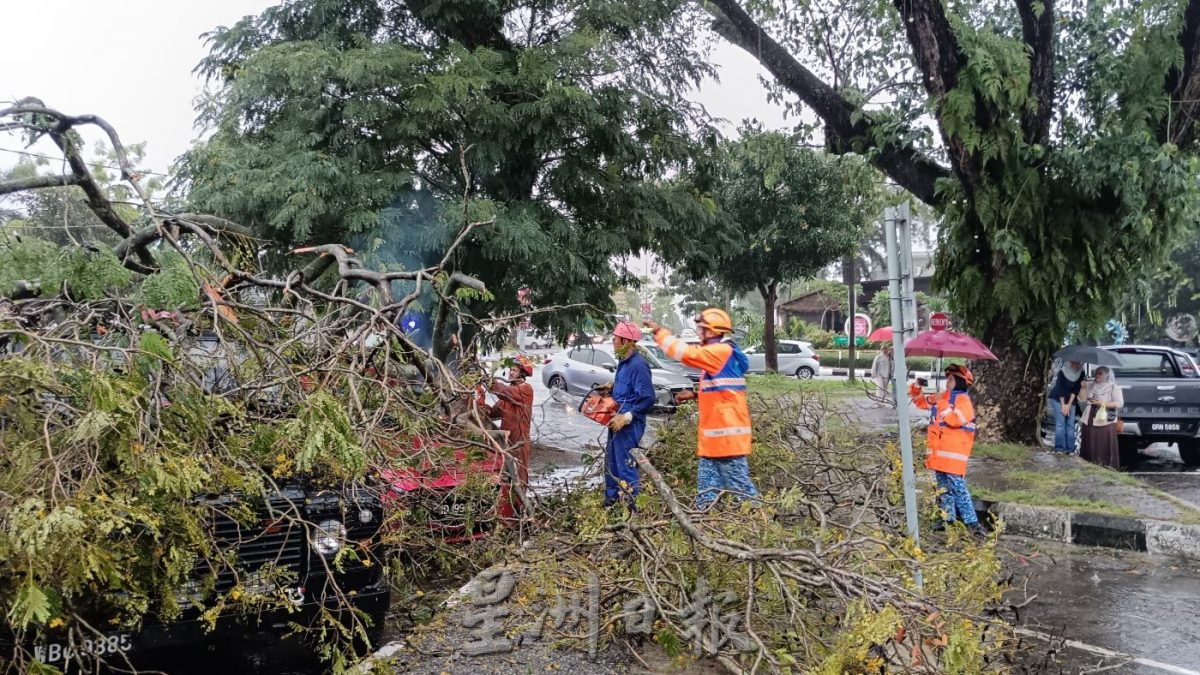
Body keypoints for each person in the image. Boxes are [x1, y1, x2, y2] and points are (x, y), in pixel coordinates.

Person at [645, 308, 760, 510]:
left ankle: (763, 524)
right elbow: (722, 390)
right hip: (715, 442)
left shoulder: (720, 352)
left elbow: (686, 354)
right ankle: (702, 527)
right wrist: (695, 394)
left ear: (714, 331)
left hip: (727, 441)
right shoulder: (720, 354)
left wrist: (659, 332)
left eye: (702, 329)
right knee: (706, 493)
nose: (698, 332)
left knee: (741, 491)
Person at [909, 364, 986, 537]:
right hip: (940, 454)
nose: (947, 382)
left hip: (954, 456)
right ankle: (946, 520)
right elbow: (920, 402)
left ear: (959, 381)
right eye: (947, 378)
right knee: (943, 488)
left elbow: (953, 420)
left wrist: (942, 402)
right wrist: (917, 386)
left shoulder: (963, 401)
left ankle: (973, 524)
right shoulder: (944, 396)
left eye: (951, 379)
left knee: (958, 488)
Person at [604, 321, 656, 508]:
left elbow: (648, 398)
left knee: (625, 466)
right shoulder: (623, 363)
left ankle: (633, 509)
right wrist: (610, 390)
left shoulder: (638, 366)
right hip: (616, 421)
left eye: (615, 339)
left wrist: (626, 417)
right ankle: (611, 503)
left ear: (625, 340)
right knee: (611, 464)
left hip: (629, 425)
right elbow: (627, 392)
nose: (613, 342)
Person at [486, 355, 535, 485]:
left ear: (522, 374)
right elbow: (492, 412)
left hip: (520, 440)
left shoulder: (525, 389)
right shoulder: (506, 397)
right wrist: (479, 405)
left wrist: (489, 382)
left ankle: (521, 501)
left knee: (520, 473)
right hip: (507, 440)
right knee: (505, 472)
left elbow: (506, 392)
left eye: (514, 370)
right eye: (510, 370)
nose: (510, 372)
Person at [1080, 366, 1124, 469]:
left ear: (1106, 375)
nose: (1097, 375)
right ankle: (1089, 464)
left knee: (1103, 442)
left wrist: (1102, 403)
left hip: (1104, 419)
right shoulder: (1090, 385)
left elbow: (1119, 403)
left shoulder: (1113, 387)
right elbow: (1082, 399)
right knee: (1089, 440)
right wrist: (1082, 387)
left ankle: (1105, 466)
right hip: (1090, 417)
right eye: (1096, 373)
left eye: (1100, 373)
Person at [1048, 360, 1084, 453]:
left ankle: (1070, 449)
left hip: (1071, 399)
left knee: (1070, 424)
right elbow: (1060, 388)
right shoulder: (1062, 372)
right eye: (1072, 362)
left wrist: (1069, 405)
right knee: (1061, 423)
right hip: (1057, 398)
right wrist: (1063, 405)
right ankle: (1059, 448)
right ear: (1069, 362)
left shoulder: (1081, 373)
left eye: (1077, 363)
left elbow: (1076, 390)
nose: (1075, 365)